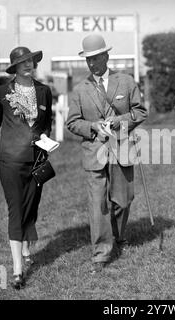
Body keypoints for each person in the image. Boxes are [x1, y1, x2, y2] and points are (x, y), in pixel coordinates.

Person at [66, 34, 148, 272]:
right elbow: (72, 122)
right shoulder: (80, 89)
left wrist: (118, 121)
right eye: (88, 59)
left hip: (122, 149)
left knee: (123, 201)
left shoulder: (126, 81)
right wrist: (92, 126)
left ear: (106, 56)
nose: (92, 63)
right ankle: (101, 253)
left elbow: (140, 113)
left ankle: (118, 236)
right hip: (94, 153)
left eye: (96, 58)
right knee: (97, 205)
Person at [0, 47, 53, 289]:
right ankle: (17, 272)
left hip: (37, 159)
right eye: (22, 62)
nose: (28, 64)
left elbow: (47, 124)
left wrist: (47, 140)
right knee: (16, 211)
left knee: (31, 208)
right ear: (14, 66)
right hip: (10, 161)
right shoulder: (3, 92)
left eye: (30, 60)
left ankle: (25, 244)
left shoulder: (44, 91)